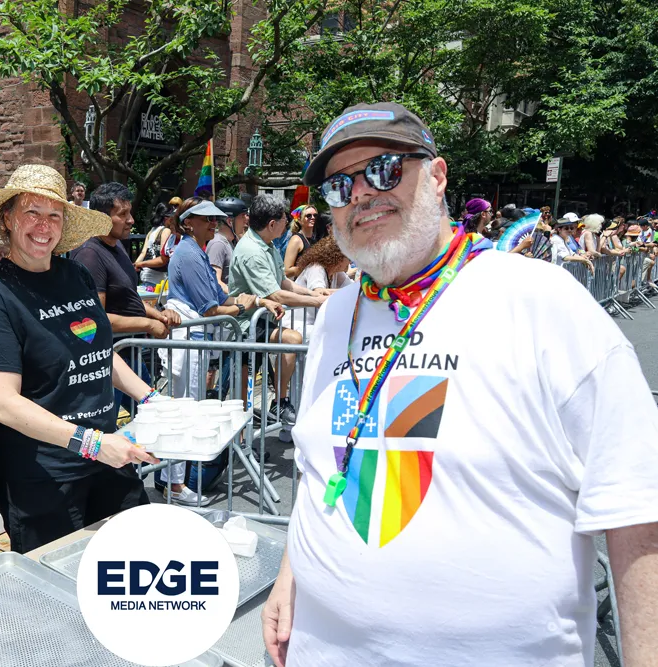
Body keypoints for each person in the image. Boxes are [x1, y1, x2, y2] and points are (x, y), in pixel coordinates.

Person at [263, 101, 658, 667]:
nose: (361, 194)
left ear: (438, 176)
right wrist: (289, 576)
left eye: (383, 169)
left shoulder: (540, 298)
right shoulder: (335, 316)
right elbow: (317, 463)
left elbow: (637, 508)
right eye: (339, 185)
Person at [0, 165, 159, 554]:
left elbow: (97, 352)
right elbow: (2, 403)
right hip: (46, 476)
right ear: (7, 218)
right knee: (58, 580)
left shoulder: (76, 274)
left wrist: (152, 398)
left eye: (54, 214)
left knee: (133, 559)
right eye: (32, 212)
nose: (44, 225)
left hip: (107, 455)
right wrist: (91, 444)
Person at [161, 197, 284, 503]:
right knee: (183, 413)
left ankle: (176, 482)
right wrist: (246, 305)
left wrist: (258, 301)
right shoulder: (189, 253)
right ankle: (174, 484)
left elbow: (222, 298)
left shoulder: (197, 252)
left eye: (214, 219)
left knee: (188, 411)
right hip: (189, 340)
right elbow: (212, 307)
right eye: (206, 219)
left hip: (197, 340)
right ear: (189, 223)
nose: (213, 224)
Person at [71, 182, 181, 410]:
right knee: (113, 424)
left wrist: (158, 315)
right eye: (122, 214)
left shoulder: (118, 246)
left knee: (151, 416)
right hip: (106, 361)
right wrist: (148, 325)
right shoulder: (90, 255)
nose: (131, 220)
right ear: (101, 218)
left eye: (129, 213)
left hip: (129, 355)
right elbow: (94, 319)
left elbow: (129, 297)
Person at [229, 195, 326, 426]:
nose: (288, 223)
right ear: (272, 224)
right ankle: (279, 403)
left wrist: (314, 294)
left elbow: (283, 282)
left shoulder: (268, 245)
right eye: (285, 219)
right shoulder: (252, 251)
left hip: (261, 321)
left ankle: (277, 404)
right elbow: (275, 295)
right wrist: (316, 302)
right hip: (245, 325)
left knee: (242, 397)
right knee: (240, 398)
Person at [291, 236, 351, 340]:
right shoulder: (316, 268)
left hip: (314, 325)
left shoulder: (337, 273)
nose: (350, 262)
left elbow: (352, 288)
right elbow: (320, 292)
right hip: (298, 325)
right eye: (349, 258)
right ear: (338, 257)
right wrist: (348, 292)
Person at [208, 198, 248, 291]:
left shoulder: (231, 241)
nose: (246, 219)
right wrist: (238, 296)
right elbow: (215, 282)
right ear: (230, 221)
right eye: (242, 216)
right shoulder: (218, 244)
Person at [134, 202, 176, 288]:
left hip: (145, 275)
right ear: (166, 217)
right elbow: (163, 257)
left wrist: (136, 265)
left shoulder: (152, 230)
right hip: (157, 279)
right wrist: (141, 264)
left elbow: (143, 253)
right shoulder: (166, 231)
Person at [283, 205, 318, 279]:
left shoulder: (315, 239)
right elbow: (287, 271)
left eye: (315, 215)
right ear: (299, 219)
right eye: (308, 216)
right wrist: (309, 268)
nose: (313, 217)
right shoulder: (296, 239)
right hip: (300, 283)